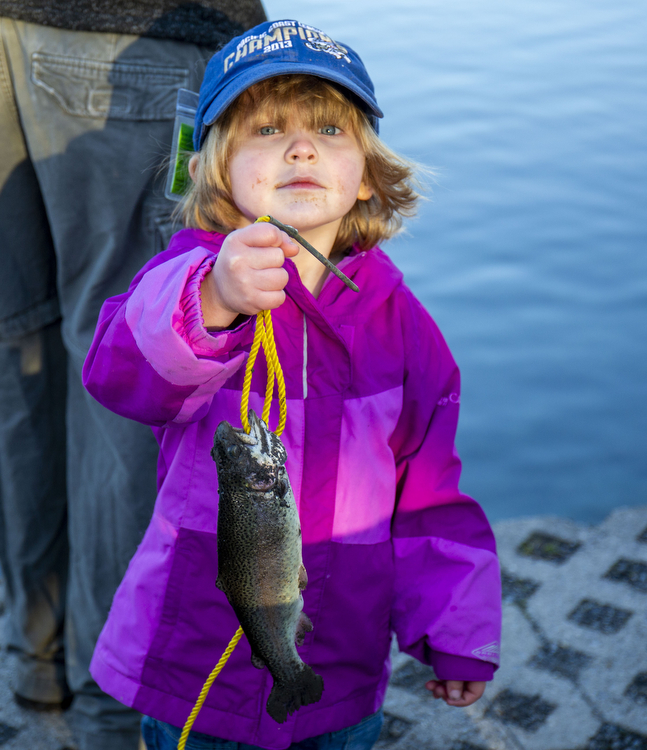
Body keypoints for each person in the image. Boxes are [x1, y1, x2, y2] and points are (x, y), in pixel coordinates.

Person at [82, 19, 502, 750]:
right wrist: (215, 298)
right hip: (197, 661)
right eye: (269, 128)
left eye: (331, 131)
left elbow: (429, 494)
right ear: (219, 170)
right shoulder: (190, 281)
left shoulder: (403, 327)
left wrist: (454, 628)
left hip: (340, 662)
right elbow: (124, 375)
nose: (302, 147)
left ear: (366, 172)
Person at [0, 3, 265, 749]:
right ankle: (113, 701)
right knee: (136, 364)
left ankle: (39, 661)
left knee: (6, 352)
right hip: (140, 36)